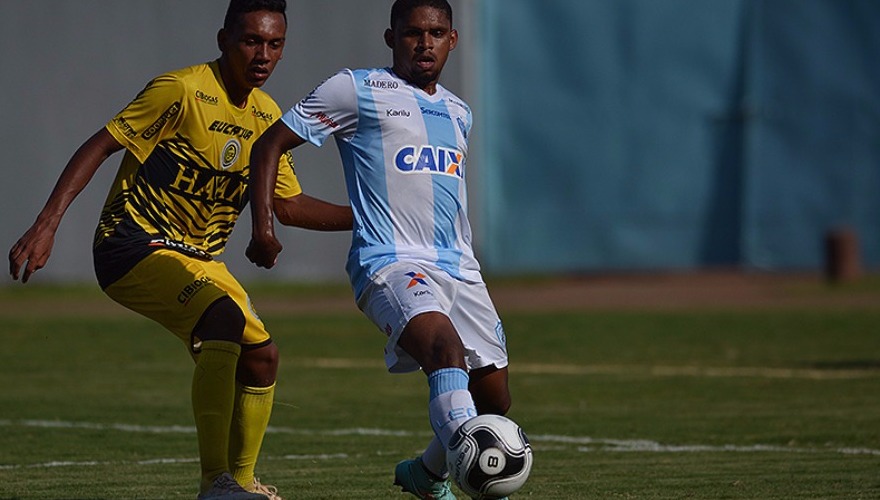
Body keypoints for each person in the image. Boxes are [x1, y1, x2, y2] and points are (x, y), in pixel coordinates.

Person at [7, 1, 352, 499]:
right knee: (223, 321)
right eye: (251, 41)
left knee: (262, 358)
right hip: (132, 243)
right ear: (223, 40)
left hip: (199, 258)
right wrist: (47, 223)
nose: (263, 54)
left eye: (274, 44)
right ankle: (215, 483)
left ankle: (244, 484)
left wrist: (371, 218)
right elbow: (102, 144)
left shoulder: (266, 115)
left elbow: (290, 205)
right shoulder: (182, 89)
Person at [246, 1, 511, 498]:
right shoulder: (356, 89)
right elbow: (268, 145)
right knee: (442, 349)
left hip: (460, 268)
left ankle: (426, 474)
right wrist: (264, 227)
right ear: (391, 38)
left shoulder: (460, 112)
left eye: (436, 32)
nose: (425, 42)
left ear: (453, 40)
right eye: (413, 32)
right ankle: (465, 476)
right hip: (389, 263)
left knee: (494, 400)